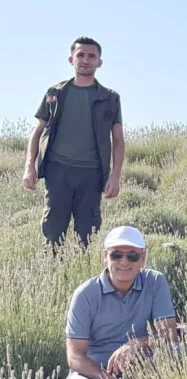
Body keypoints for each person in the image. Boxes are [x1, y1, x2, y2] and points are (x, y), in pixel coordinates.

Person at [61, 226, 178, 379]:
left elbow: (168, 335)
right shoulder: (85, 294)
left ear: (143, 258)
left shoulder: (155, 282)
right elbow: (75, 356)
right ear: (105, 256)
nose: (124, 262)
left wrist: (136, 344)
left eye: (132, 256)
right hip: (96, 369)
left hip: (143, 360)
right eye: (116, 255)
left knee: (179, 358)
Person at [23, 37, 125, 247]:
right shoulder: (56, 93)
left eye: (91, 56)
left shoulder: (110, 98)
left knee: (88, 232)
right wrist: (29, 166)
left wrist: (115, 176)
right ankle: (52, 273)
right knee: (53, 230)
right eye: (81, 55)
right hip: (57, 170)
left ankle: (85, 273)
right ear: (71, 59)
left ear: (99, 62)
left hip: (92, 173)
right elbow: (37, 131)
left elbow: (118, 139)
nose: (85, 60)